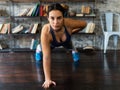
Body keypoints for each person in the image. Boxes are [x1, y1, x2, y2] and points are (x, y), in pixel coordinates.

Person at [39, 3, 87, 89]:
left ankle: (74, 51)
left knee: (72, 48)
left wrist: (72, 31)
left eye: (59, 18)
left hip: (66, 41)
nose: (55, 22)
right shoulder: (46, 31)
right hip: (52, 43)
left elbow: (84, 24)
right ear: (48, 18)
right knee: (41, 49)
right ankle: (38, 50)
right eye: (52, 18)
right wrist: (48, 79)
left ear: (63, 18)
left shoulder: (69, 23)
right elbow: (46, 57)